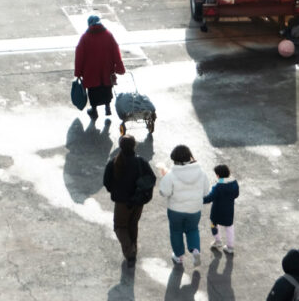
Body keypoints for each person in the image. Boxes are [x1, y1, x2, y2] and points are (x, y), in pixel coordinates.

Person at [103, 135, 156, 268]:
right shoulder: (141, 162)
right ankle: (133, 250)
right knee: (133, 225)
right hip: (138, 201)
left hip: (122, 202)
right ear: (134, 145)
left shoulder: (114, 162)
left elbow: (107, 182)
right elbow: (152, 178)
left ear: (120, 147)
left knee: (120, 227)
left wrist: (115, 191)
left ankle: (130, 252)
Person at [158, 144, 211, 267]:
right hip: (194, 209)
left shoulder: (171, 174)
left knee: (176, 231)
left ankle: (179, 256)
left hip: (175, 210)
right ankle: (195, 250)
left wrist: (164, 176)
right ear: (189, 156)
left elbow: (164, 192)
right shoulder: (201, 173)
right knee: (192, 229)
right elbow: (206, 192)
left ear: (174, 159)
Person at [74, 15, 126, 120]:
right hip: (107, 70)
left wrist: (78, 73)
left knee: (93, 92)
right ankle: (107, 107)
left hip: (90, 72)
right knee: (107, 88)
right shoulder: (108, 35)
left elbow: (79, 56)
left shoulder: (85, 38)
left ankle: (94, 110)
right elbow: (116, 52)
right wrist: (120, 67)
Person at [203, 164, 239, 254]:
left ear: (218, 175)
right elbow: (236, 195)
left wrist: (200, 199)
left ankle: (218, 241)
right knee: (229, 227)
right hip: (229, 210)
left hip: (217, 211)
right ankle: (230, 247)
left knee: (213, 224)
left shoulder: (218, 187)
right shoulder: (234, 183)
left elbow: (209, 198)